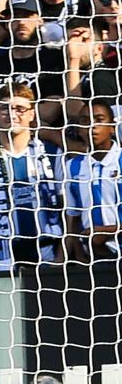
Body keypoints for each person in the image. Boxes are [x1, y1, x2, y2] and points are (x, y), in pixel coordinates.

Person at [0, 84, 65, 272]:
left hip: (48, 257)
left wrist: (61, 259)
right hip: (1, 261)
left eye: (20, 108)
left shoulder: (51, 155)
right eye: (5, 108)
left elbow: (68, 210)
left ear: (32, 114)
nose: (12, 114)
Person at [65, 97, 120, 261]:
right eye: (85, 121)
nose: (91, 126)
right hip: (94, 259)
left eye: (99, 120)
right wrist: (81, 260)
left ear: (112, 127)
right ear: (79, 129)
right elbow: (73, 217)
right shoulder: (72, 166)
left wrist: (108, 231)